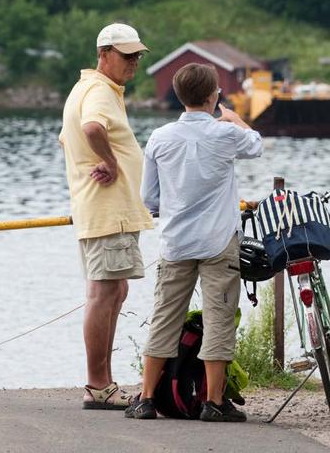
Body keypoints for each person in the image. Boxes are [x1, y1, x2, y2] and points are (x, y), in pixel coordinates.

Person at [128, 63, 262, 422]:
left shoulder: (159, 137)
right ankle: (213, 402)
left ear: (178, 95)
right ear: (212, 96)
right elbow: (257, 145)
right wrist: (234, 119)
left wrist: (170, 208)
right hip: (219, 241)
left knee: (164, 318)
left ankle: (145, 398)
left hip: (175, 242)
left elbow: (149, 198)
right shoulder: (225, 134)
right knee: (219, 319)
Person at [59, 22, 154, 410]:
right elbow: (92, 127)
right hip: (107, 209)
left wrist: (96, 159)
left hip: (107, 209)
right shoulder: (98, 90)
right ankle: (98, 385)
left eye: (137, 55)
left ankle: (103, 382)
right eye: (126, 55)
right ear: (104, 54)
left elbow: (69, 136)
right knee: (103, 292)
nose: (134, 62)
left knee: (115, 289)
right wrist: (110, 162)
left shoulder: (91, 88)